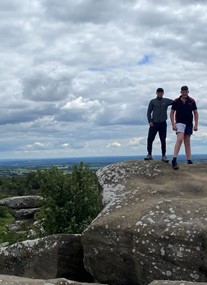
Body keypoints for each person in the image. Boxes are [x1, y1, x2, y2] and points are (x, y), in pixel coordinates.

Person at [170, 85, 198, 170]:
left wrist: (196, 124)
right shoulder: (176, 101)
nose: (184, 93)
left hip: (189, 123)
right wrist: (173, 124)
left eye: (186, 92)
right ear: (181, 92)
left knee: (187, 141)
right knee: (180, 139)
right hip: (179, 122)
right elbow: (172, 113)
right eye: (183, 92)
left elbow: (195, 112)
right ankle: (174, 159)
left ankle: (189, 160)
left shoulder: (192, 101)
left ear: (188, 92)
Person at [144, 88, 173, 162]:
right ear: (156, 93)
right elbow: (148, 112)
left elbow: (175, 102)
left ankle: (164, 155)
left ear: (163, 93)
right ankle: (149, 154)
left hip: (163, 123)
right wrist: (150, 121)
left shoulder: (166, 101)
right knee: (150, 139)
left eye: (161, 92)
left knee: (163, 140)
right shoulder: (152, 101)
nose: (160, 94)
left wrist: (181, 97)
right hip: (154, 123)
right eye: (158, 92)